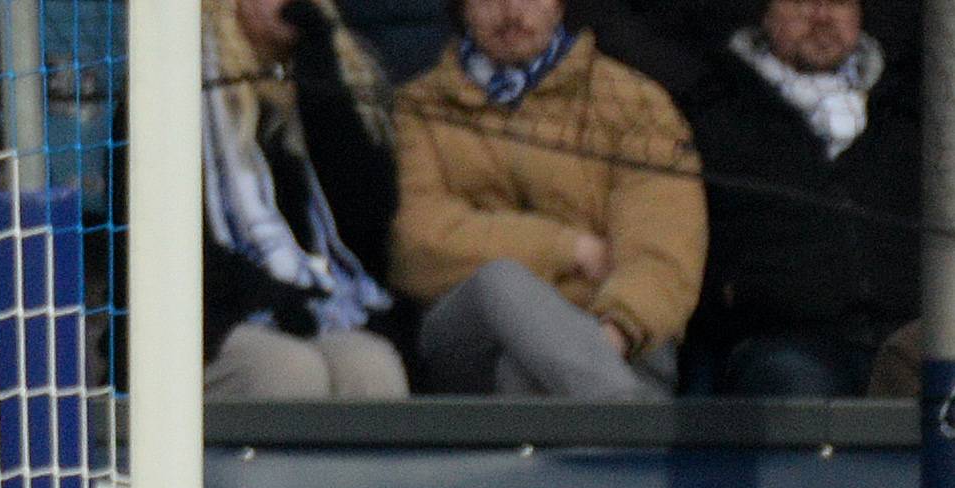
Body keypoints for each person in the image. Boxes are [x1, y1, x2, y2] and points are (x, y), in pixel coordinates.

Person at [391, 0, 705, 398]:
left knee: (523, 378)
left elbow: (664, 247)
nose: (510, 12)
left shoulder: (635, 102)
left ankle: (613, 408)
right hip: (473, 338)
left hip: (619, 342)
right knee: (499, 279)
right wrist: (567, 248)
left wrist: (609, 335)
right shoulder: (420, 105)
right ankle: (628, 423)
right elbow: (417, 243)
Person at [683, 0, 917, 396]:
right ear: (766, 12)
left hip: (911, 337)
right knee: (796, 387)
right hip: (782, 343)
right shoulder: (715, 108)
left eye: (838, 1)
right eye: (804, 1)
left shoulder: (912, 105)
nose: (822, 16)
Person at [201, 0, 409, 398]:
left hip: (308, 306)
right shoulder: (178, 97)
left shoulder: (327, 74)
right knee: (290, 370)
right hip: (207, 321)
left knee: (372, 366)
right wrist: (273, 296)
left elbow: (367, 229)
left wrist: (320, 66)